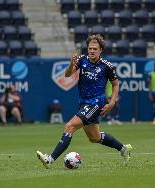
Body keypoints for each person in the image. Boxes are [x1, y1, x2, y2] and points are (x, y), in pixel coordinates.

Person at [36, 34, 132, 169]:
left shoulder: (107, 66)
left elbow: (115, 84)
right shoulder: (81, 60)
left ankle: (50, 159)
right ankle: (123, 149)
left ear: (100, 50)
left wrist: (112, 102)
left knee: (69, 126)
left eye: (95, 48)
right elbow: (67, 74)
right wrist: (71, 64)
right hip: (84, 103)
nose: (92, 51)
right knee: (95, 137)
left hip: (96, 104)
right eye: (90, 48)